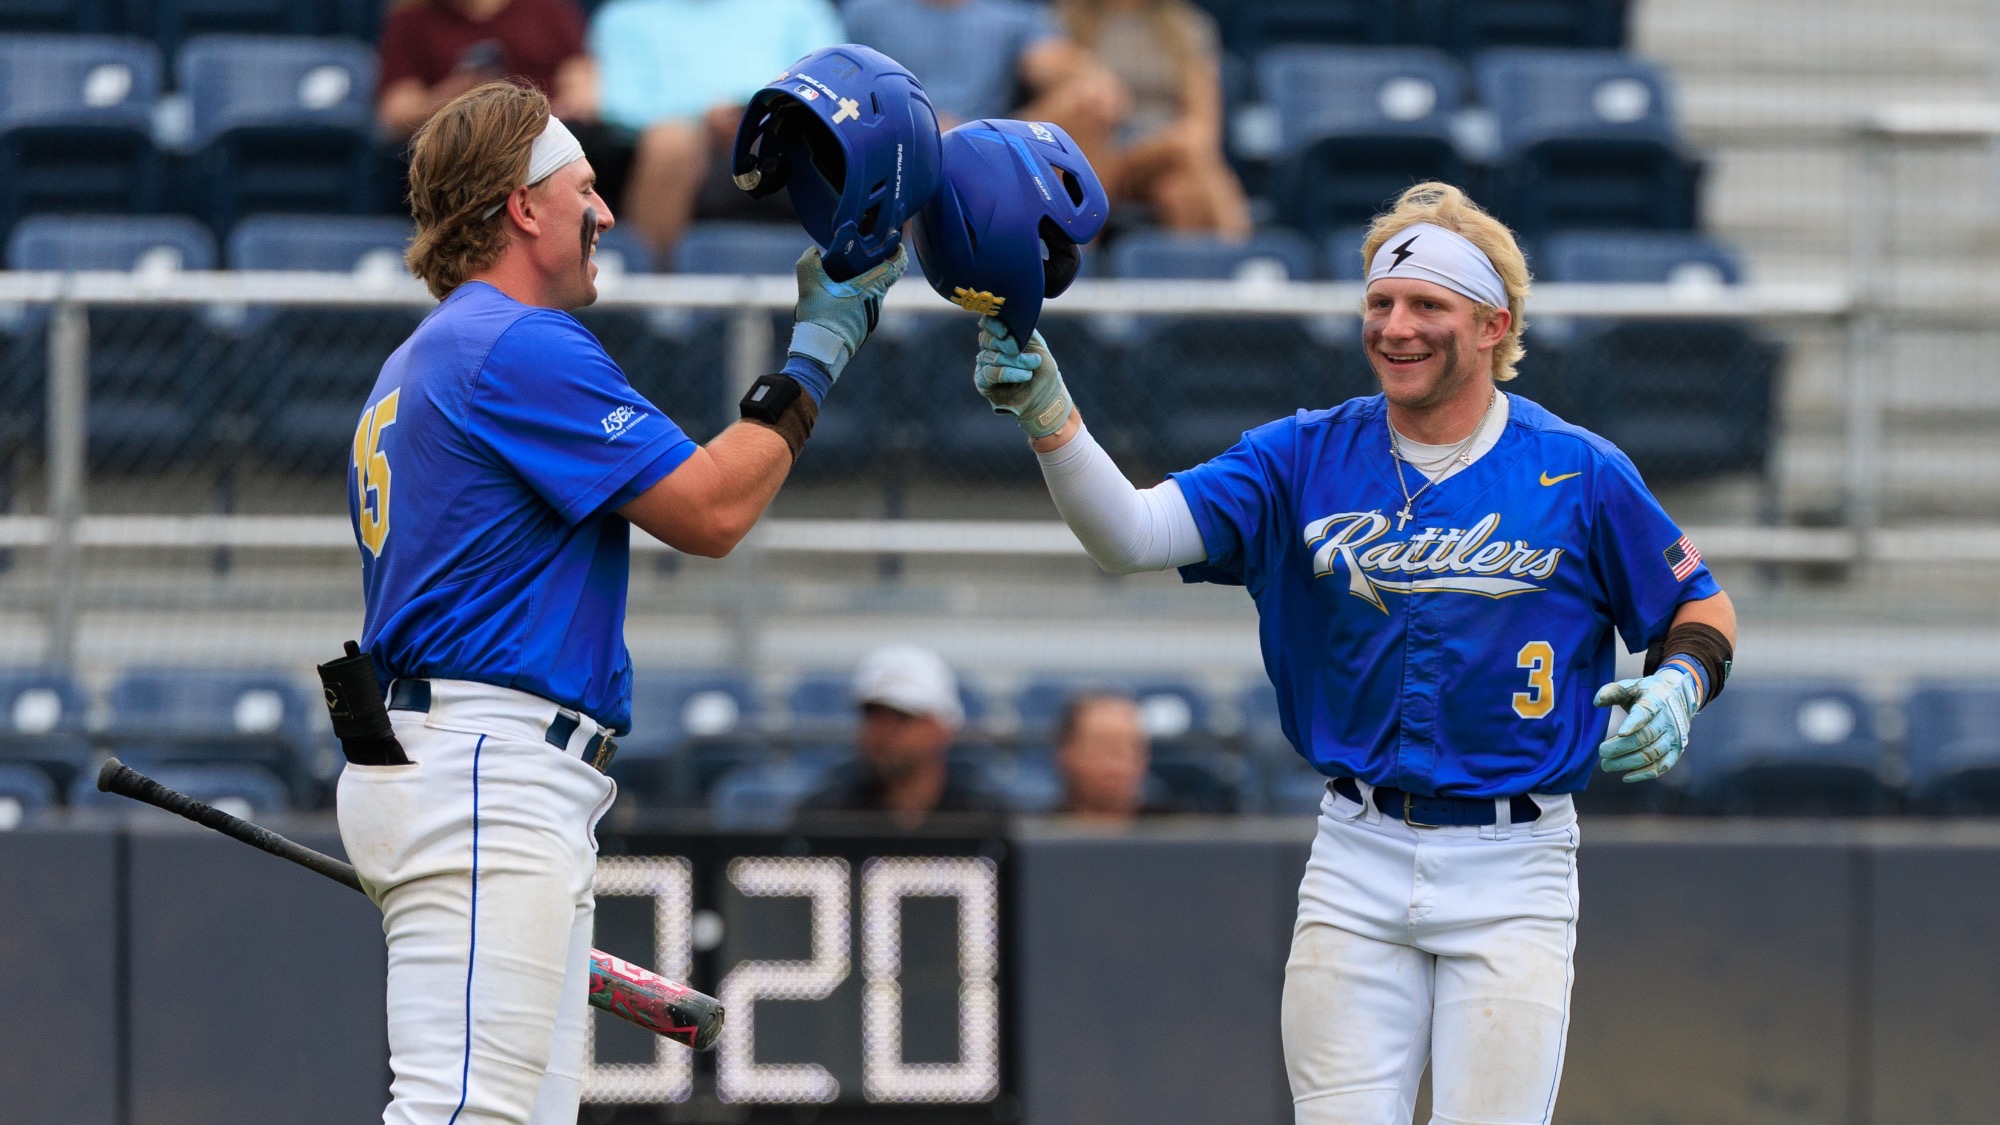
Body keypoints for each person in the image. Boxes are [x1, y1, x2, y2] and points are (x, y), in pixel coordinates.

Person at [970, 181, 1738, 1123]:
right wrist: (1053, 421)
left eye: (1427, 305)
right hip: (1356, 851)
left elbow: (1699, 601)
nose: (1396, 326)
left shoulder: (1577, 468)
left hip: (1517, 862)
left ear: (1494, 322)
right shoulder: (1300, 454)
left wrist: (1682, 682)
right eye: (1380, 301)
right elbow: (1130, 534)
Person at [337, 81, 905, 1124]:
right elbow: (711, 508)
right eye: (585, 189)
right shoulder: (512, 344)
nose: (604, 213)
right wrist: (818, 352)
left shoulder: (423, 357)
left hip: (469, 765)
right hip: (486, 770)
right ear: (522, 206)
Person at [587, 0, 842, 258]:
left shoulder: (801, 8)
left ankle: (847, 277)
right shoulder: (624, 17)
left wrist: (761, 114)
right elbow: (620, 105)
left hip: (780, 132)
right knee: (670, 143)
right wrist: (703, 118)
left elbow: (831, 89)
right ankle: (655, 289)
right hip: (686, 146)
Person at [1055, 0, 1250, 235]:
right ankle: (1241, 249)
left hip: (1163, 153)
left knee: (1181, 192)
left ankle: (1198, 267)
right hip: (1099, 151)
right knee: (1188, 146)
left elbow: (1203, 120)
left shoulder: (1188, 26)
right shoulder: (1065, 21)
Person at [842, 0, 1127, 134]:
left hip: (992, 143)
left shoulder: (1013, 16)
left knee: (1085, 99)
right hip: (898, 138)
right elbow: (841, 89)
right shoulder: (866, 12)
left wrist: (1096, 82)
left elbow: (1049, 60)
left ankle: (1072, 250)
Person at [796, 644, 1003, 825]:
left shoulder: (982, 817)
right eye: (873, 714)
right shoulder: (826, 816)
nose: (885, 730)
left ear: (943, 727)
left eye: (903, 716)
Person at [1054, 691, 1151, 820]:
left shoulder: (1177, 830)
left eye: (1126, 750)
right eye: (1100, 749)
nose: (1114, 767)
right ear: (1067, 754)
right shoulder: (1033, 833)